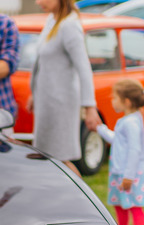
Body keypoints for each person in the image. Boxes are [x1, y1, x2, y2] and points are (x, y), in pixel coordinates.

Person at [25, 0, 100, 176]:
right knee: (46, 155)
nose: (38, 2)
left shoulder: (69, 26)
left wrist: (89, 106)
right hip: (47, 101)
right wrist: (34, 93)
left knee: (61, 158)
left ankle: (84, 200)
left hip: (61, 104)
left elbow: (84, 68)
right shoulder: (52, 20)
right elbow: (42, 61)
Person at [95, 78, 144, 225]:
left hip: (130, 175)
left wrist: (129, 176)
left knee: (135, 207)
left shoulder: (132, 122)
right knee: (120, 206)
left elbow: (134, 150)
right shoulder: (127, 120)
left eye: (114, 98)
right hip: (120, 173)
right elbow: (117, 140)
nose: (112, 101)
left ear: (127, 101)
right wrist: (100, 129)